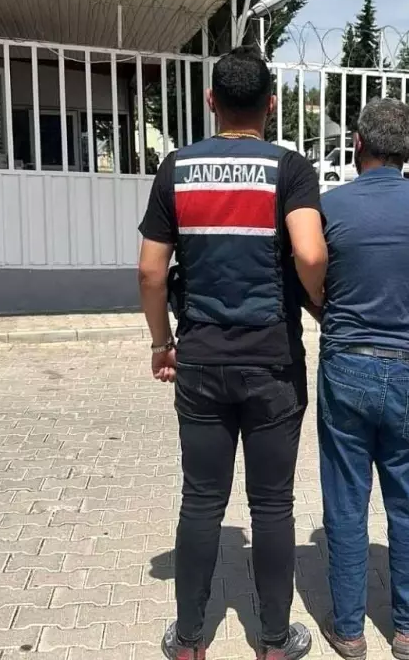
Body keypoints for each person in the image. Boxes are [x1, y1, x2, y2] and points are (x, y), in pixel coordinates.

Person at [136, 45, 327, 660]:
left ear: (211, 101)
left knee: (200, 500)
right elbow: (311, 254)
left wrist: (162, 343)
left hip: (200, 359)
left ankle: (189, 640)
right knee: (272, 505)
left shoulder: (176, 169)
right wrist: (320, 302)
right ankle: (274, 640)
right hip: (273, 362)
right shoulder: (289, 169)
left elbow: (150, 272)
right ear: (271, 104)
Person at [314, 98, 409, 660]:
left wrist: (329, 317)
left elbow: (309, 274)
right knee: (407, 501)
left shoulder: (330, 206)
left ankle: (349, 630)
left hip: (346, 363)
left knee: (345, 502)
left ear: (357, 144)